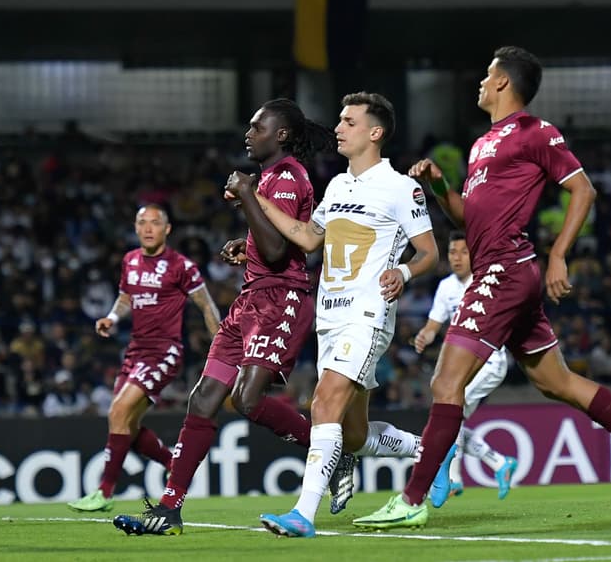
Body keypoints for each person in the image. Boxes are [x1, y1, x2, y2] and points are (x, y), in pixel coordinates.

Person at [353, 46, 611, 530]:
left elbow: (584, 189)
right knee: (555, 383)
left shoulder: (535, 131)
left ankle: (411, 499)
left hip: (504, 270)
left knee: (446, 383)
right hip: (503, 269)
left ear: (504, 82)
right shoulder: (482, 144)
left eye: (487, 75)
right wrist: (441, 186)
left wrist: (559, 254)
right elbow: (468, 219)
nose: (480, 82)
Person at [113, 99, 331, 536]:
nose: (248, 134)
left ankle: (330, 451)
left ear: (281, 135)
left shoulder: (287, 177)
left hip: (280, 299)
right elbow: (270, 242)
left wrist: (247, 196)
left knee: (247, 399)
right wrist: (245, 244)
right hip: (251, 300)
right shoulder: (269, 178)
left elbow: (278, 252)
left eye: (257, 127)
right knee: (203, 399)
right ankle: (170, 509)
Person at [253, 92, 438, 539]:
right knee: (353, 435)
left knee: (323, 403)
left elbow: (429, 252)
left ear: (375, 132)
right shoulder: (337, 185)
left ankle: (303, 514)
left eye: (349, 122)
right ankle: (432, 449)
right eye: (339, 120)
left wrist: (404, 272)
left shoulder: (400, 187)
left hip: (367, 313)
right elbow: (307, 237)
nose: (337, 128)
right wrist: (256, 203)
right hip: (330, 317)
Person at [70, 204, 222, 512]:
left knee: (119, 410)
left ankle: (104, 492)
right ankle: (172, 463)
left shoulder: (181, 266)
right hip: (135, 351)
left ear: (167, 229)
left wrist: (222, 350)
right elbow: (126, 296)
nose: (148, 228)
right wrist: (112, 317)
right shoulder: (130, 260)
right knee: (125, 422)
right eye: (142, 223)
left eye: (155, 223)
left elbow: (206, 305)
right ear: (136, 228)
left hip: (164, 352)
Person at [415, 231, 519, 507]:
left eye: (464, 252)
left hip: (490, 361)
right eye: (453, 252)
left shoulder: (486, 282)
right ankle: (499, 463)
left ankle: (455, 478)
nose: (457, 258)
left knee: (451, 413)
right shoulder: (446, 287)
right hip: (462, 364)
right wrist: (425, 335)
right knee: (453, 418)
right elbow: (434, 324)